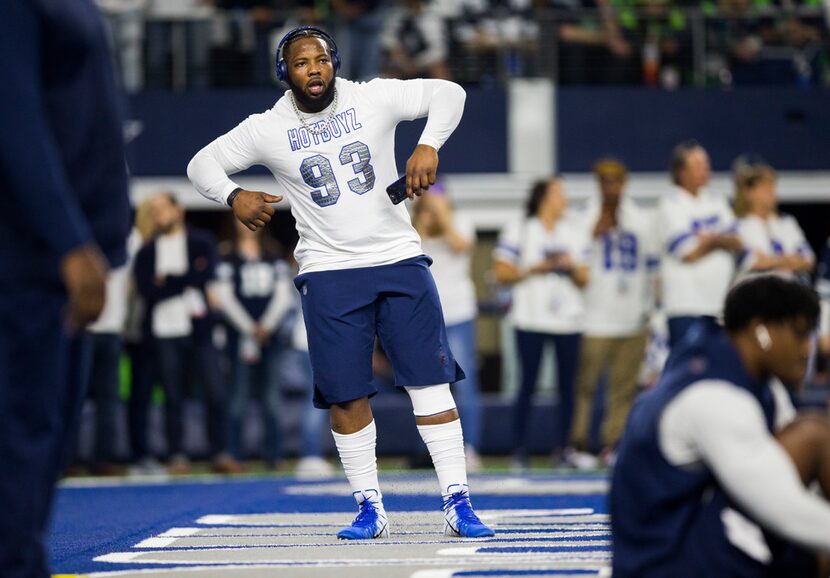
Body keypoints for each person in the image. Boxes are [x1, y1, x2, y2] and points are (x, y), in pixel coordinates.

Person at [187, 25, 493, 539]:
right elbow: (202, 163)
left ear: (336, 62)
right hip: (328, 271)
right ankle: (370, 507)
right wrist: (231, 194)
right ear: (284, 71)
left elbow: (450, 93)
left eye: (322, 59)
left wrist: (428, 145)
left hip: (397, 258)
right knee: (346, 396)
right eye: (302, 62)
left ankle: (457, 501)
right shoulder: (267, 126)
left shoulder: (371, 95)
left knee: (429, 382)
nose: (314, 69)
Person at [0, 1, 131, 576]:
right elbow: (12, 116)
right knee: (18, 435)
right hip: (29, 260)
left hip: (72, 265)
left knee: (45, 438)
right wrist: (68, 242)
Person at [611, 275, 830, 577]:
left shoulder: (726, 361)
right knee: (814, 437)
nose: (808, 351)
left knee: (812, 435)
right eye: (800, 335)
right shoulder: (715, 396)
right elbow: (784, 508)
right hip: (666, 561)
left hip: (671, 538)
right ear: (761, 332)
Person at [133, 192, 241, 475]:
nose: (157, 215)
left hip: (200, 329)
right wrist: (186, 278)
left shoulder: (201, 241)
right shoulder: (147, 251)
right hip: (163, 331)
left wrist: (168, 280)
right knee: (172, 394)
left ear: (178, 210)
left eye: (162, 208)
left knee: (215, 391)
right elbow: (147, 291)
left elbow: (207, 275)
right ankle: (177, 454)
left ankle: (220, 451)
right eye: (153, 211)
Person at [492, 177, 591, 469]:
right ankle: (519, 449)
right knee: (528, 385)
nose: (564, 199)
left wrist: (569, 266)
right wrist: (535, 268)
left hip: (568, 319)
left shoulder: (574, 230)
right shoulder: (521, 228)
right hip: (531, 317)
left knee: (567, 387)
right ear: (545, 197)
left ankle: (563, 448)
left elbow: (585, 277)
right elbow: (501, 271)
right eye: (559, 193)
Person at [569, 159, 658, 468]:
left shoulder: (641, 217)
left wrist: (651, 309)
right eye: (606, 181)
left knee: (623, 389)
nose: (612, 187)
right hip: (594, 316)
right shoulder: (583, 215)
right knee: (585, 387)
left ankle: (613, 443)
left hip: (632, 315)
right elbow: (574, 256)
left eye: (617, 180)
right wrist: (595, 231)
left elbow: (652, 266)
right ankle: (578, 443)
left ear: (625, 182)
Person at [413, 183, 483, 472]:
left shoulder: (461, 221)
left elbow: (460, 244)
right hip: (425, 316)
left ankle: (471, 449)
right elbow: (408, 252)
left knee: (465, 386)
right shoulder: (413, 223)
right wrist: (422, 219)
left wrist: (442, 215)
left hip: (458, 313)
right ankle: (428, 452)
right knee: (424, 384)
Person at [215, 218, 295, 468]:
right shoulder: (227, 258)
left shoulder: (273, 257)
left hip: (270, 339)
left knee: (271, 398)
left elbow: (284, 297)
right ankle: (234, 454)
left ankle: (274, 455)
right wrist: (250, 329)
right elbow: (225, 299)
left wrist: (266, 326)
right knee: (238, 397)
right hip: (239, 339)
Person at [659, 140, 743, 349]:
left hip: (719, 305)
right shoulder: (670, 203)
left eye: (706, 164)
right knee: (689, 370)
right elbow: (689, 252)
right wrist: (718, 239)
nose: (706, 170)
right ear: (681, 172)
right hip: (686, 306)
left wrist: (709, 240)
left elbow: (737, 241)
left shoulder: (716, 200)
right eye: (698, 165)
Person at [733, 158, 815, 281]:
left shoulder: (787, 223)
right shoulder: (737, 226)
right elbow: (751, 261)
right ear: (749, 193)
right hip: (755, 294)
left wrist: (771, 260)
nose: (771, 193)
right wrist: (788, 259)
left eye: (772, 187)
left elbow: (808, 259)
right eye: (764, 188)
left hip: (789, 292)